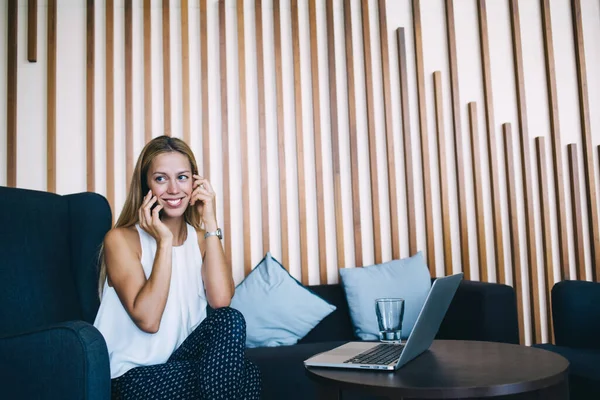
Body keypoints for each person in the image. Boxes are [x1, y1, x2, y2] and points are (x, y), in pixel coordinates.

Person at [93, 135, 261, 400]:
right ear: (146, 186)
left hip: (179, 361)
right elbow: (148, 320)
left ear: (195, 183)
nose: (173, 189)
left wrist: (210, 220)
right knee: (246, 374)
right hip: (133, 376)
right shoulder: (120, 239)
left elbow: (220, 302)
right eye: (161, 178)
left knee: (231, 323)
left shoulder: (201, 239)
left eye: (182, 177)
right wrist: (164, 242)